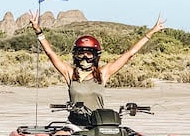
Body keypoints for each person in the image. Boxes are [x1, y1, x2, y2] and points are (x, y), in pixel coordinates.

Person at [28, 12, 165, 124]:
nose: (85, 58)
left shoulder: (103, 74)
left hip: (99, 123)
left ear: (95, 56)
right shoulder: (69, 73)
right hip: (75, 124)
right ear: (76, 55)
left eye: (89, 54)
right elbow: (50, 53)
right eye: (81, 53)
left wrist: (151, 32)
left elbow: (129, 54)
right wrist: (38, 31)